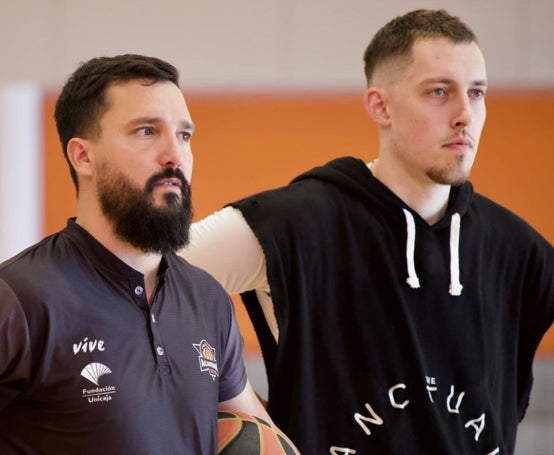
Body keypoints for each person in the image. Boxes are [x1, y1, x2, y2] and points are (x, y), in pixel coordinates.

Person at [180, 9, 554, 454]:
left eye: (477, 93)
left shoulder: (520, 251)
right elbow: (130, 278)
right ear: (380, 106)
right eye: (439, 91)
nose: (464, 115)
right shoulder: (294, 225)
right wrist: (244, 407)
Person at [0, 54, 279, 454]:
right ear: (83, 156)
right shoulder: (9, 302)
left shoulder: (207, 300)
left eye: (184, 135)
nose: (175, 155)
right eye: (146, 131)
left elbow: (259, 437)